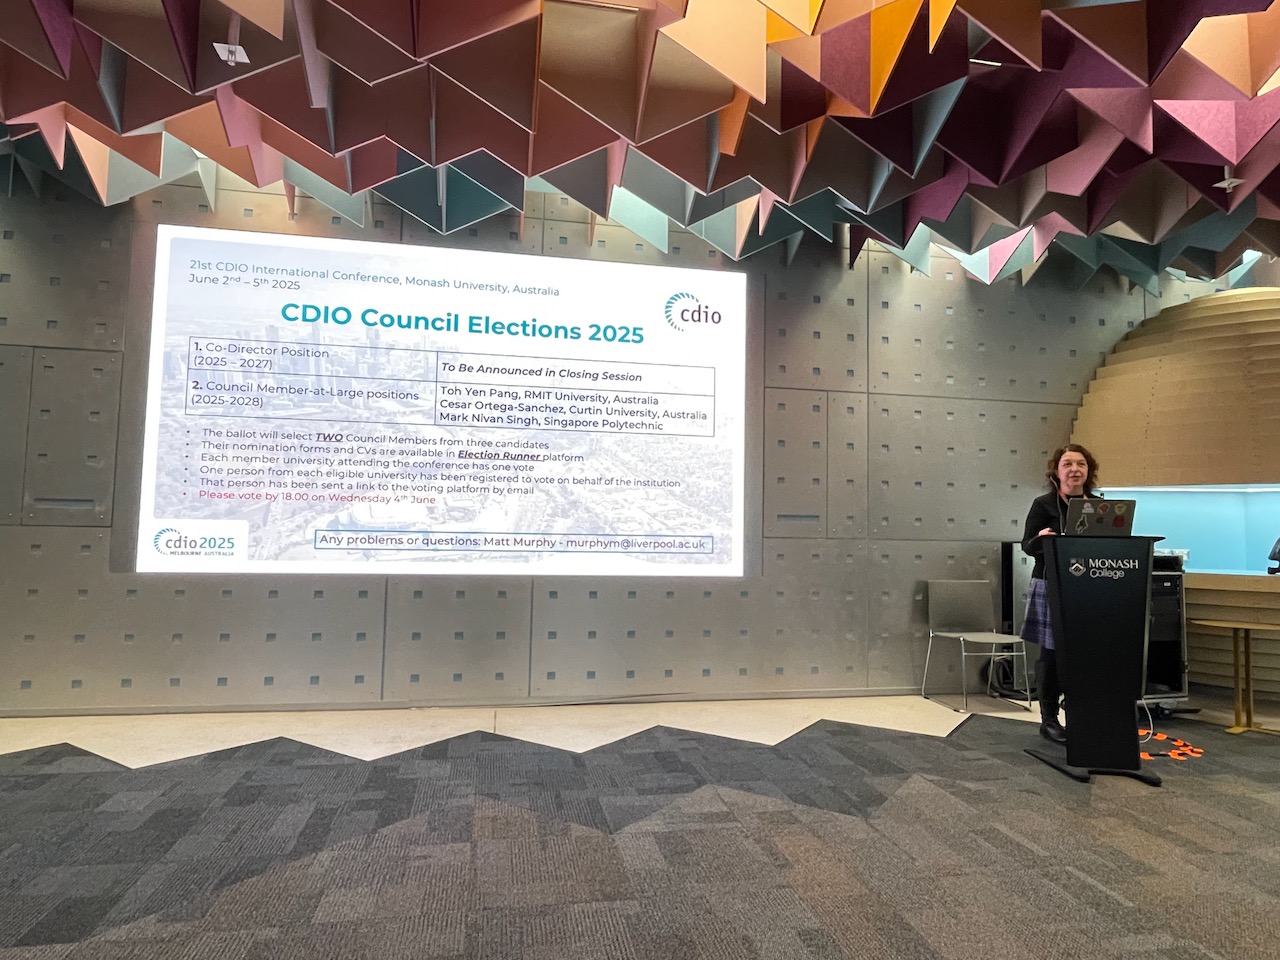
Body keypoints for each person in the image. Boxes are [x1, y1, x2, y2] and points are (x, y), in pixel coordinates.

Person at [1020, 444, 1101, 744]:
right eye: (1067, 464)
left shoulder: (1100, 506)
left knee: (1086, 651)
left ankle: (1083, 713)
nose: (1074, 469)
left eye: (1081, 464)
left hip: (1088, 587)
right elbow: (1027, 545)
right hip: (1051, 584)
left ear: (1089, 470)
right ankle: (1049, 719)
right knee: (1051, 653)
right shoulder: (1043, 505)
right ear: (1056, 471)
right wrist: (1041, 539)